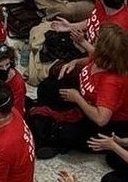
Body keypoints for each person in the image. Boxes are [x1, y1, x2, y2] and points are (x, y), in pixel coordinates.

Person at [30, 24, 128, 158]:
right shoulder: (105, 59)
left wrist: (77, 99)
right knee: (47, 87)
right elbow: (92, 58)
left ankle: (54, 140)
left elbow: (101, 119)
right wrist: (76, 62)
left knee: (67, 133)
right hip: (88, 98)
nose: (94, 39)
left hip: (106, 123)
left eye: (97, 39)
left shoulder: (111, 82)